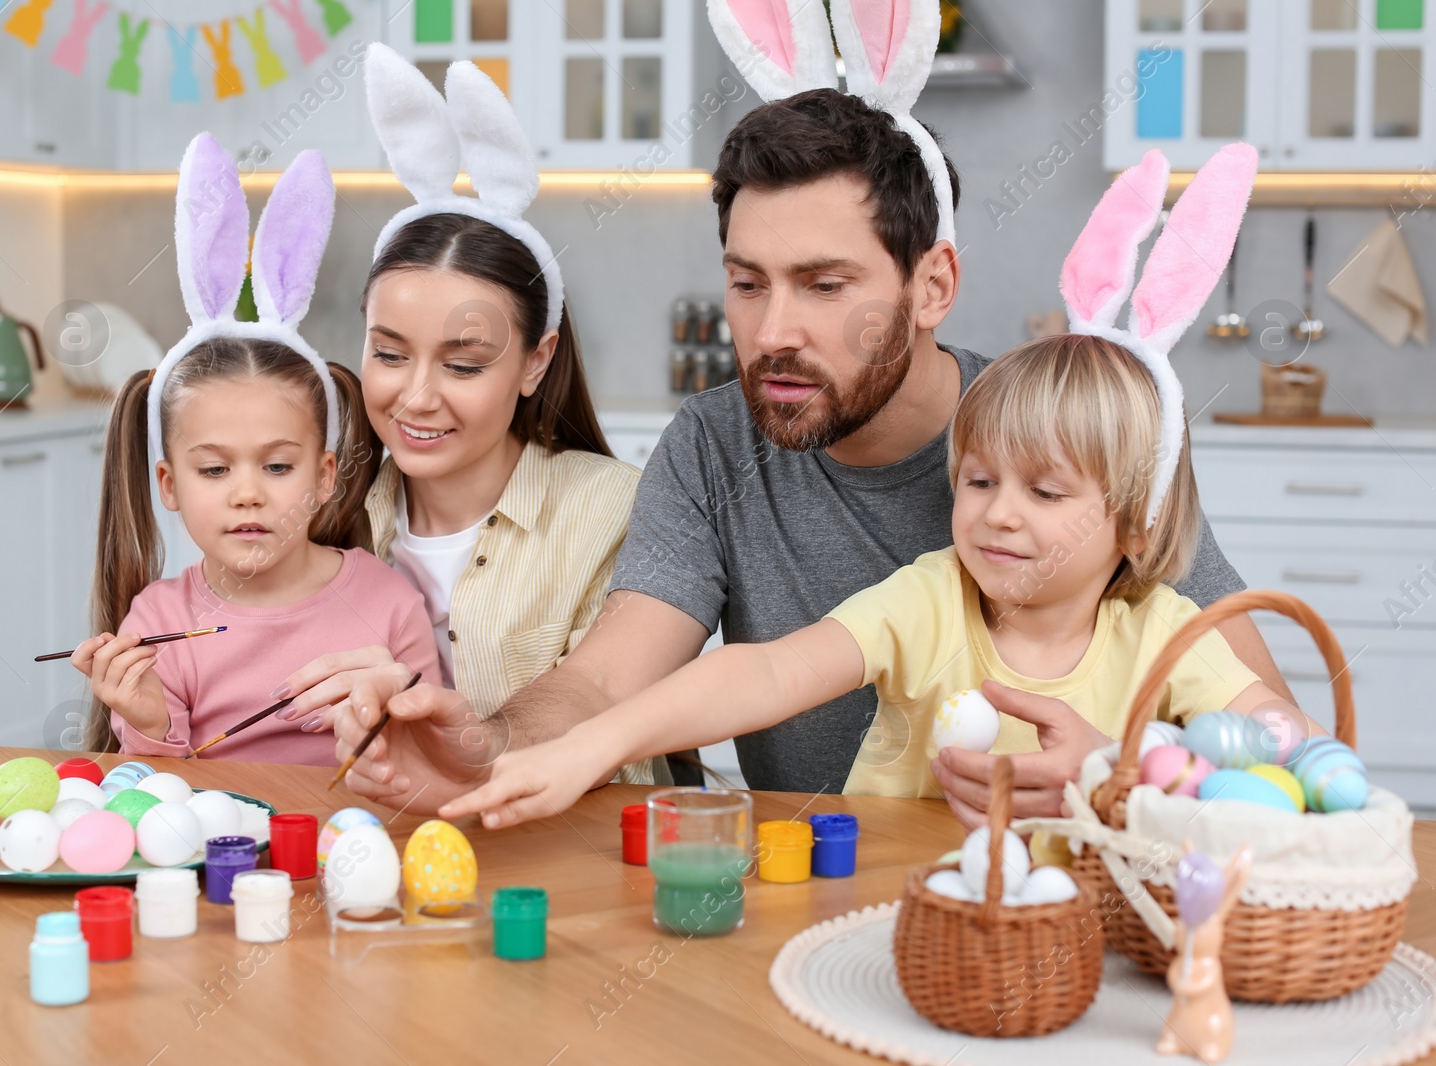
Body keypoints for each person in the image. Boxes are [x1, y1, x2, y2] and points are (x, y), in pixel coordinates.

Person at [331, 4, 1292, 819]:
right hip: (816, 894)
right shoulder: (712, 444)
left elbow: (1284, 745)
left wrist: (1123, 778)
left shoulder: (1065, 440)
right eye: (747, 284)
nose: (772, 332)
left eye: (824, 285)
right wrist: (485, 740)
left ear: (932, 284)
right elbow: (606, 678)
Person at [263, 50, 654, 792]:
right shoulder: (324, 514)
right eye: (388, 353)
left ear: (535, 363)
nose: (416, 397)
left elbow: (616, 728)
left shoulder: (614, 509)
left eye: (463, 364)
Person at [72, 135, 440, 763]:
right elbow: (160, 805)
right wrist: (148, 719)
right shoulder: (156, 621)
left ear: (325, 476)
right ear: (168, 484)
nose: (247, 492)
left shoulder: (391, 603)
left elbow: (432, 759)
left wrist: (396, 719)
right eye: (214, 469)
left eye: (277, 466)